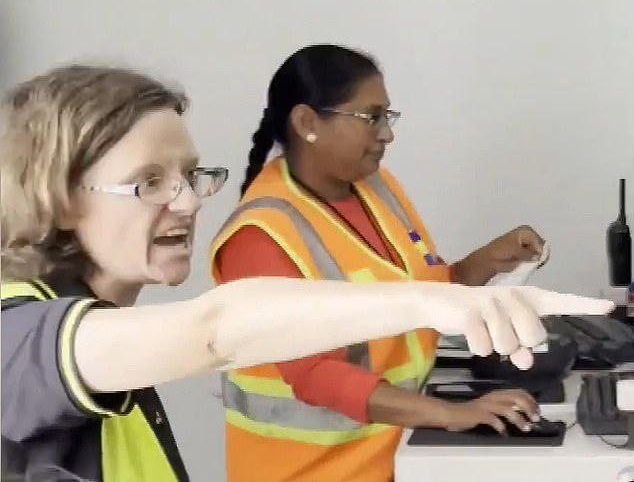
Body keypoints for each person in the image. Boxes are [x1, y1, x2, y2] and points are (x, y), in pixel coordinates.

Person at [0, 65, 611, 482]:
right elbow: (216, 330)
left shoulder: (97, 323)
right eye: (149, 183)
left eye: (190, 176)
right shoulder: (16, 335)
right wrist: (428, 303)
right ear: (56, 197)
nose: (188, 203)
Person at [209, 44, 575, 482]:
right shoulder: (260, 237)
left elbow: (424, 298)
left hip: (393, 455)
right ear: (308, 122)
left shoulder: (376, 188)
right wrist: (451, 414)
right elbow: (315, 376)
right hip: (311, 472)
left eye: (388, 117)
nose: (387, 134)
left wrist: (490, 259)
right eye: (371, 117)